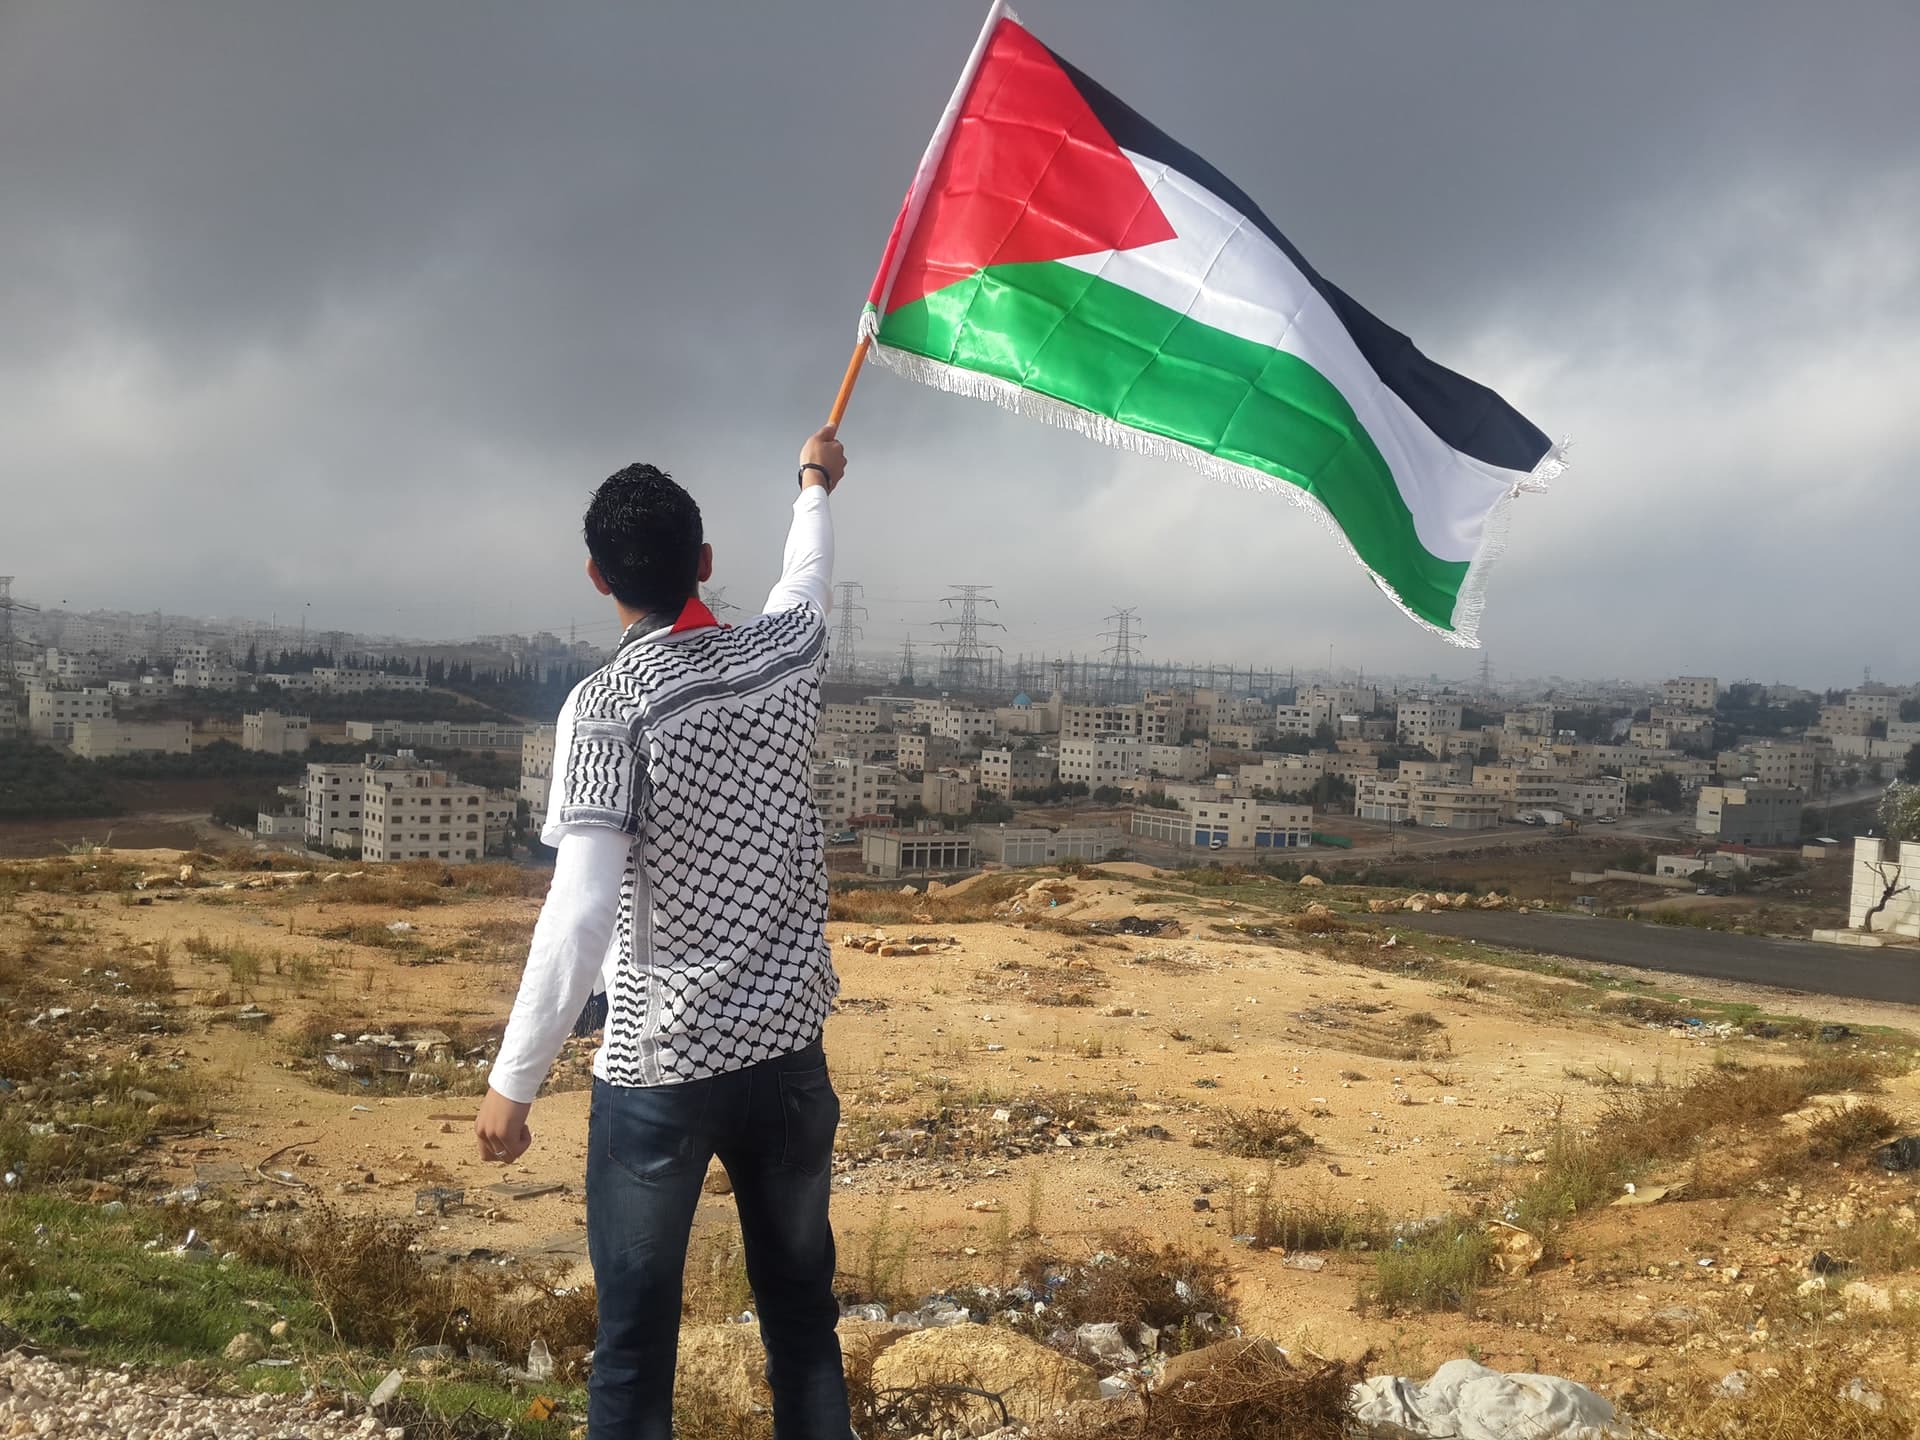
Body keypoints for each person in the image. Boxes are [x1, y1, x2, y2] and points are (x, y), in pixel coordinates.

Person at [477, 427, 852, 1438]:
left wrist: (515, 1083)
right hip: (786, 1054)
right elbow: (805, 585)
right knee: (804, 1327)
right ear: (705, 563)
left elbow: (581, 909)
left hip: (661, 1068)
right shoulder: (779, 660)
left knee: (636, 1348)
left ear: (599, 577)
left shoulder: (606, 708)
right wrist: (813, 485)